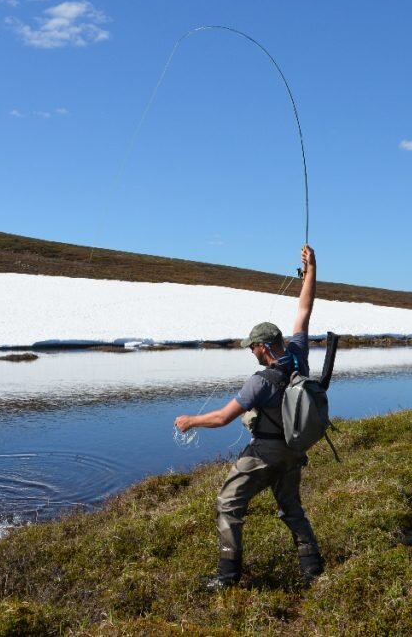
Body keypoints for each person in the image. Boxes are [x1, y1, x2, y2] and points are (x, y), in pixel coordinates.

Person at [175, 245, 324, 590]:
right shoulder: (298, 355)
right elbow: (304, 310)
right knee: (292, 510)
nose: (251, 351)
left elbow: (222, 419)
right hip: (294, 451)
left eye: (252, 347)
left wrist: (189, 422)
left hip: (266, 452)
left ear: (264, 347)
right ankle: (313, 572)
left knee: (227, 504)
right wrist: (311, 270)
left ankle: (227, 577)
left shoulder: (260, 381)